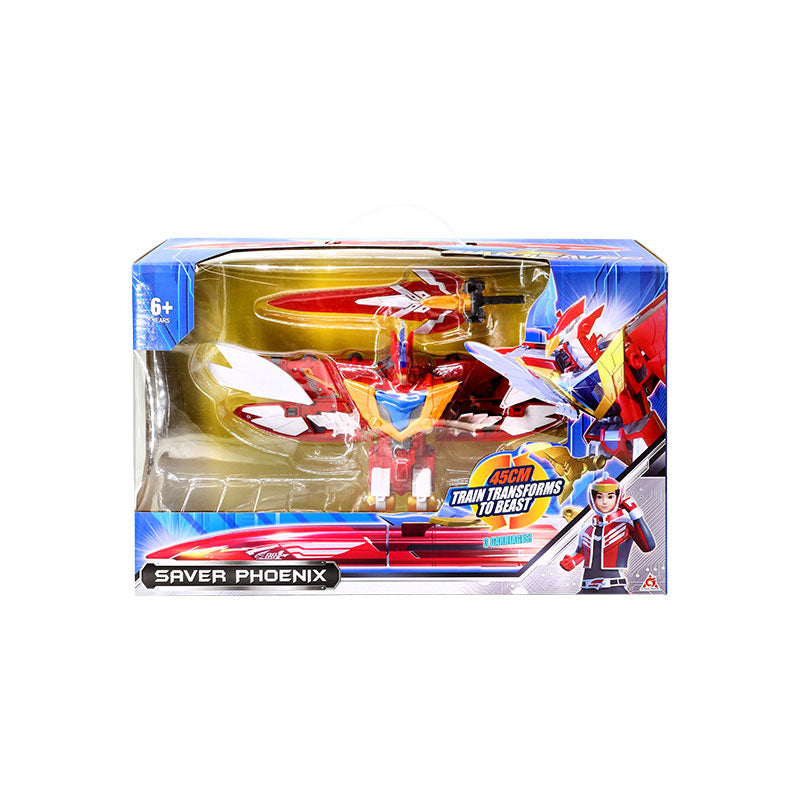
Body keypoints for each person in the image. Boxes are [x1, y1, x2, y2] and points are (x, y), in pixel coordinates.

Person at [560, 477, 655, 594]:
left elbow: (648, 546)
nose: (604, 502)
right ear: (593, 499)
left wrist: (635, 514)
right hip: (587, 587)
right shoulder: (587, 529)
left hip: (614, 586)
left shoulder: (625, 524)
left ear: (618, 498)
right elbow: (581, 553)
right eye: (599, 497)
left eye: (610, 497)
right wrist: (571, 561)